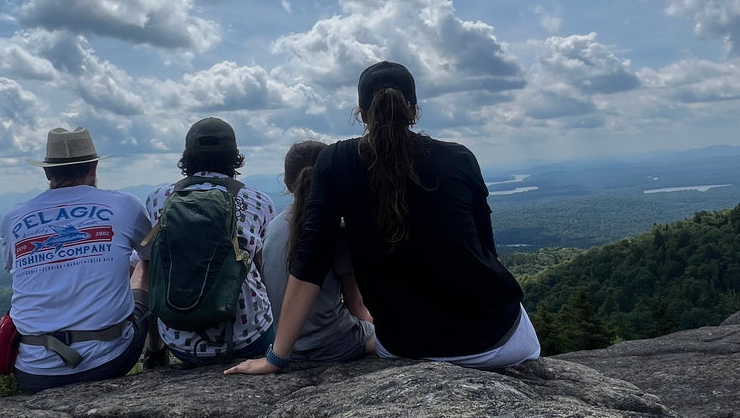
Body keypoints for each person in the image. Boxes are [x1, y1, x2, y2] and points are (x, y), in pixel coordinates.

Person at [226, 61, 541, 376]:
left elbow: (311, 259)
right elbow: (486, 251)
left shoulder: (335, 162)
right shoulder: (459, 157)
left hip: (403, 346)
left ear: (361, 114)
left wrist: (276, 358)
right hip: (497, 343)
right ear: (414, 110)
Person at [1, 126, 153, 393]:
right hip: (109, 361)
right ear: (93, 167)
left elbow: (14, 268)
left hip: (32, 370)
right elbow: (154, 255)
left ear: (47, 172)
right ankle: (156, 356)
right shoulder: (124, 205)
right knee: (145, 263)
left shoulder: (14, 217)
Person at [144, 117, 276, 365]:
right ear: (235, 157)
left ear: (186, 156)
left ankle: (155, 350)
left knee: (148, 262)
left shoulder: (158, 199)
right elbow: (263, 267)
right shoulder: (259, 201)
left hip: (179, 341)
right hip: (247, 338)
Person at [262, 141, 375, 363]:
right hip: (335, 344)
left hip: (288, 346)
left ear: (286, 182)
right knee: (401, 337)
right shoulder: (335, 229)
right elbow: (357, 307)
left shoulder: (272, 228)